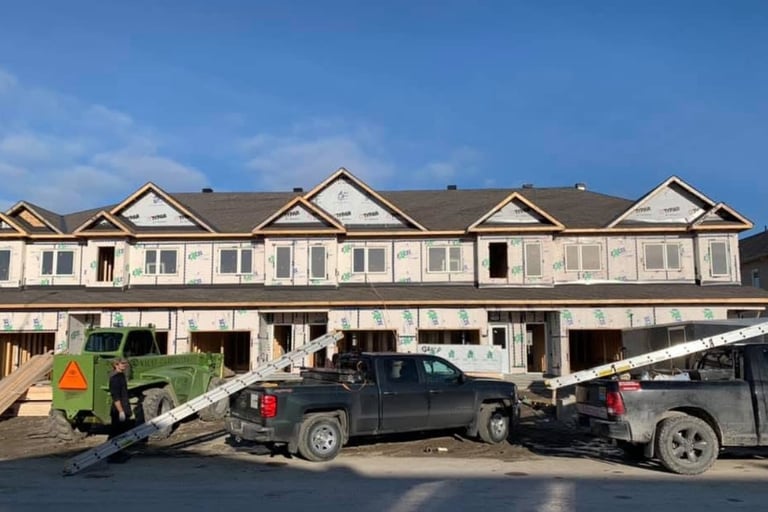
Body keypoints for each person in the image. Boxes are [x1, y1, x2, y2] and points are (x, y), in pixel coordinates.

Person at [107, 357, 132, 463]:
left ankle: (119, 453)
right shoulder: (115, 379)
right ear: (116, 365)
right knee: (116, 433)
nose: (125, 365)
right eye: (122, 363)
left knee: (122, 433)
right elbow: (116, 397)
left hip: (124, 408)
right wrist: (121, 411)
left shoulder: (121, 376)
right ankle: (113, 455)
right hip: (117, 411)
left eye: (125, 363)